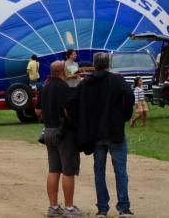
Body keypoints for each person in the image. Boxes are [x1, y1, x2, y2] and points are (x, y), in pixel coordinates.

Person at [71, 52, 134, 218]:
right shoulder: (117, 80)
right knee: (120, 170)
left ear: (94, 64)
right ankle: (124, 208)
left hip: (96, 133)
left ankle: (102, 208)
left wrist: (80, 122)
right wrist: (124, 116)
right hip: (115, 131)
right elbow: (129, 96)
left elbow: (72, 102)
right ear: (108, 64)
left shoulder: (86, 83)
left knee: (99, 171)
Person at [42, 60, 82, 217]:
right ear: (63, 71)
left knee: (53, 169)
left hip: (48, 131)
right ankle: (69, 208)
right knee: (68, 170)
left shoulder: (45, 87)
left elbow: (38, 110)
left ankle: (53, 207)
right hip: (63, 132)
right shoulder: (64, 87)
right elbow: (67, 110)